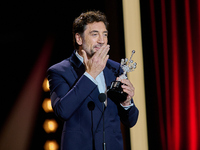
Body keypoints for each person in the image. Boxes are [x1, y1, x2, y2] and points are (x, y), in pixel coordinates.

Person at [47, 11, 139, 150]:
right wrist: (90, 74)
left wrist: (126, 103)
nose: (102, 40)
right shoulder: (60, 71)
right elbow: (62, 111)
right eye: (95, 34)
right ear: (79, 39)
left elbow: (130, 121)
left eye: (105, 34)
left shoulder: (115, 69)